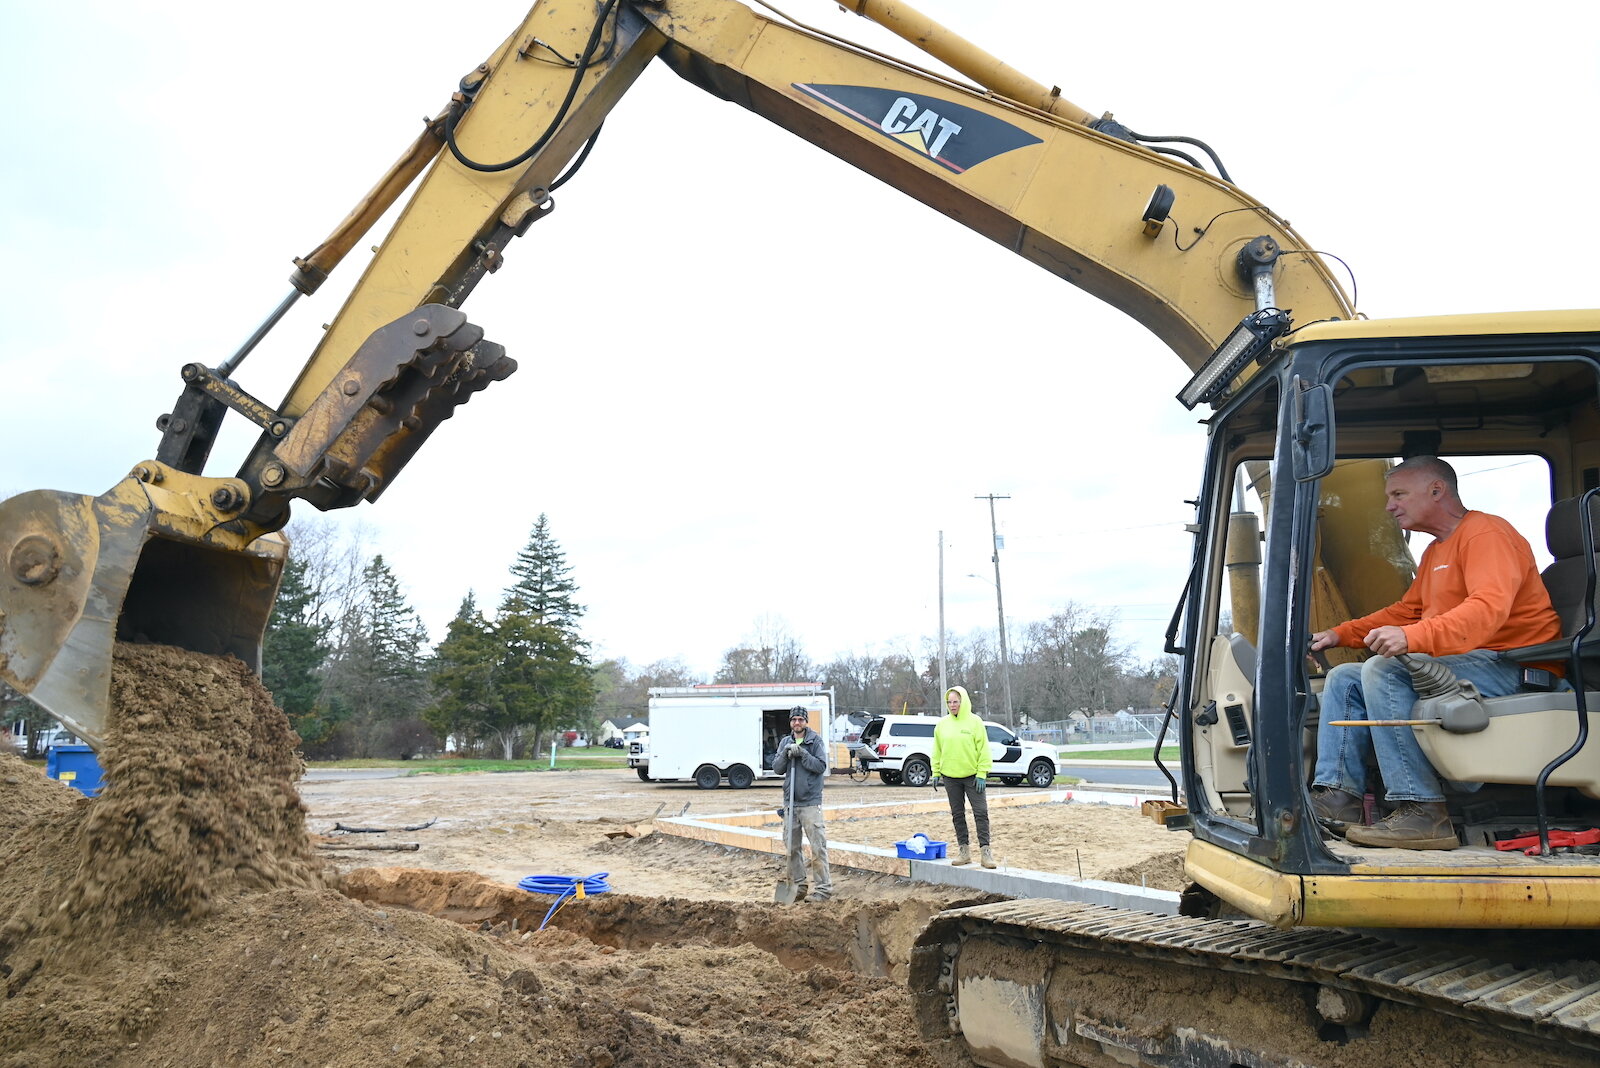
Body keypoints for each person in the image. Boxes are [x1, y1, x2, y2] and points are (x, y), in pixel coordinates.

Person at [1308, 456, 1563, 850]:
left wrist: (1413, 639)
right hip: (1472, 662)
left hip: (1516, 664)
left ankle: (1422, 811)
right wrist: (1339, 634)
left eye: (1398, 494)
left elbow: (1487, 611)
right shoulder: (1436, 552)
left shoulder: (1486, 535)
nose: (1390, 505)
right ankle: (1338, 799)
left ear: (1436, 490)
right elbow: (1406, 612)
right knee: (1345, 677)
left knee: (1383, 670)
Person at [771, 707, 832, 902]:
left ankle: (823, 890)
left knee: (817, 847)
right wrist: (786, 754)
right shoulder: (785, 742)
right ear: (790, 722)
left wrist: (803, 754)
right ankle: (798, 886)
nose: (797, 723)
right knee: (791, 847)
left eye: (800, 720)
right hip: (790, 803)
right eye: (794, 720)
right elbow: (777, 769)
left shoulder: (815, 741)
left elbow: (821, 766)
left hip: (810, 804)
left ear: (806, 721)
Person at [932, 685, 996, 868]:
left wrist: (982, 773)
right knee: (957, 814)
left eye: (956, 702)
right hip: (950, 777)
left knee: (981, 813)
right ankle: (964, 851)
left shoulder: (975, 722)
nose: (952, 705)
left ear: (963, 702)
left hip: (972, 776)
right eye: (949, 702)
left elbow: (983, 749)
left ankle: (986, 852)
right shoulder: (942, 725)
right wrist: (936, 772)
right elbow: (936, 750)